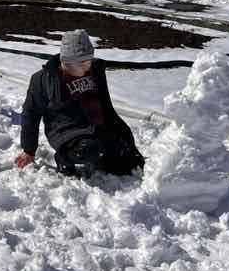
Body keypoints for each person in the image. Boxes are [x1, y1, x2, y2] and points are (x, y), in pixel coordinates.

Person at [16, 29, 144, 178]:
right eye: (83, 63)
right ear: (67, 62)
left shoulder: (94, 70)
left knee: (127, 162)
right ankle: (64, 158)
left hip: (96, 128)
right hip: (67, 132)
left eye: (89, 61)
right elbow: (31, 114)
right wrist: (29, 150)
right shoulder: (44, 79)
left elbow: (105, 104)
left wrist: (122, 133)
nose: (87, 66)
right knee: (88, 151)